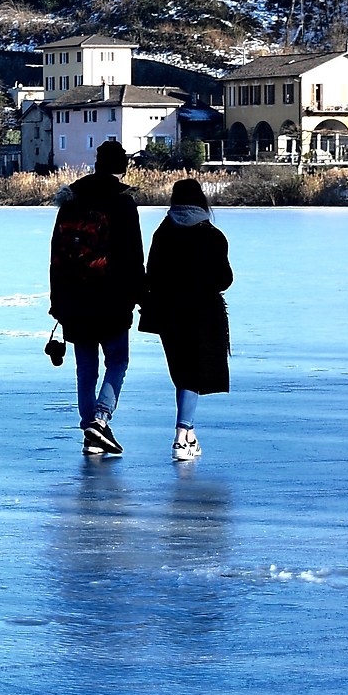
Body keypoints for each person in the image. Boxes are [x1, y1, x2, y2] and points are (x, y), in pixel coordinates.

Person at [49, 139, 145, 458]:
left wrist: (58, 301)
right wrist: (140, 294)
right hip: (111, 296)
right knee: (118, 360)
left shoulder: (71, 201)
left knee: (85, 367)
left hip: (74, 298)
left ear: (96, 163)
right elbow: (133, 256)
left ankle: (89, 429)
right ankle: (100, 421)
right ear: (121, 166)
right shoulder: (123, 204)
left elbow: (57, 256)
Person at [141, 176, 232, 461]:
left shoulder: (162, 233)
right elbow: (224, 278)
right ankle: (182, 436)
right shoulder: (212, 235)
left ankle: (188, 434)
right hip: (203, 313)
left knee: (183, 372)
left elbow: (151, 273)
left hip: (168, 313)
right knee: (193, 373)